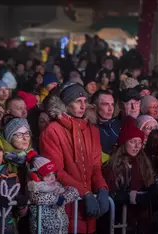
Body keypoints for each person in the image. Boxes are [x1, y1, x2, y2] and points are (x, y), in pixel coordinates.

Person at [40, 83, 109, 233]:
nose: (83, 106)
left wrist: (102, 188)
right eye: (78, 101)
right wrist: (84, 193)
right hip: (65, 208)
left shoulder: (92, 130)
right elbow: (56, 172)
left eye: (85, 101)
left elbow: (96, 167)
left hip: (88, 210)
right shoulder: (52, 130)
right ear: (66, 104)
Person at [103, 121, 158, 233]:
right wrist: (131, 197)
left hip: (141, 221)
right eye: (133, 142)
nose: (137, 146)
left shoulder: (144, 163)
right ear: (124, 143)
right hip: (120, 221)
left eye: (139, 142)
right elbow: (110, 193)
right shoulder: (111, 167)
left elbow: (153, 180)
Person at [26, 151, 79, 234]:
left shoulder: (57, 186)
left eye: (53, 174)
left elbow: (74, 191)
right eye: (47, 175)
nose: (52, 178)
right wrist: (56, 199)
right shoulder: (33, 189)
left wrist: (63, 199)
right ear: (36, 177)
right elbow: (37, 198)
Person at [92, 90, 120, 155]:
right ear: (94, 106)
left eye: (112, 104)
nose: (110, 109)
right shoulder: (89, 129)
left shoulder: (118, 124)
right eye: (105, 104)